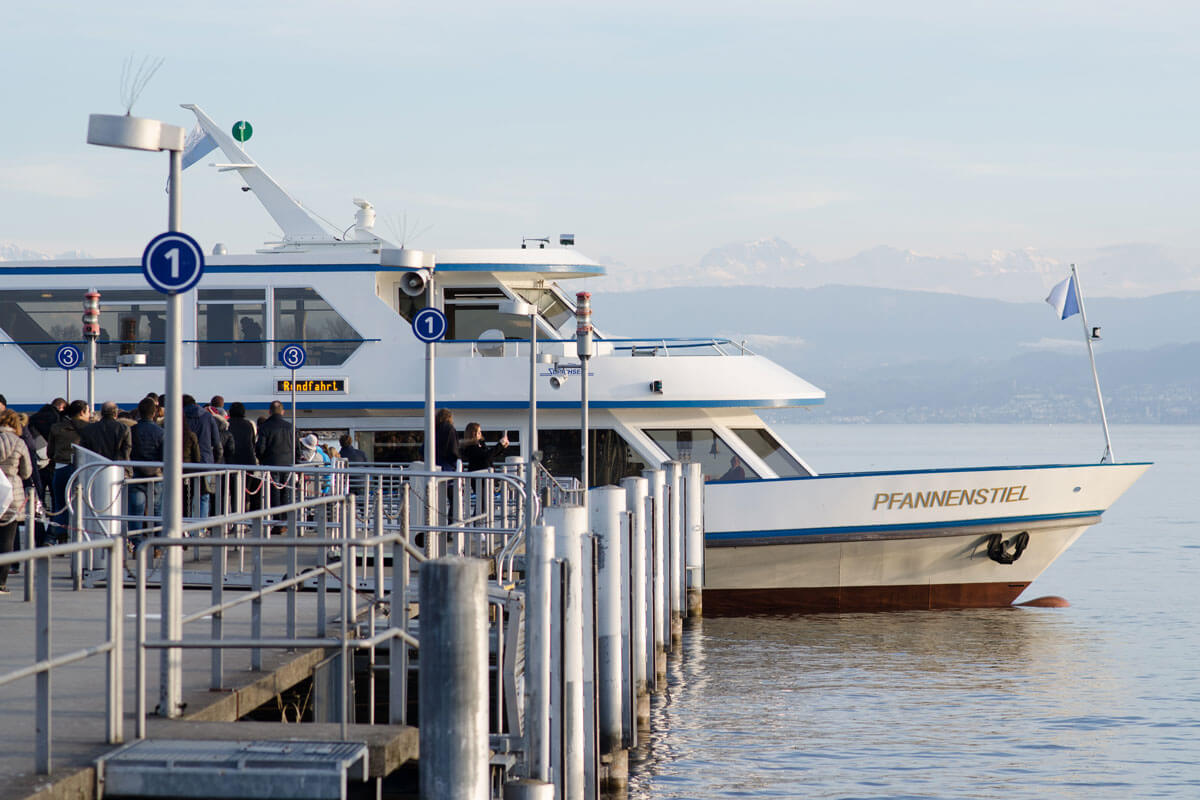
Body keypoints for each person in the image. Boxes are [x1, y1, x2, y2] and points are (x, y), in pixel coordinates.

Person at [48, 400, 91, 542]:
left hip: (60, 468)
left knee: (61, 505)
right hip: (83, 470)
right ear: (82, 412)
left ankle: (60, 537)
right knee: (85, 505)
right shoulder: (90, 428)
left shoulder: (56, 428)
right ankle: (82, 537)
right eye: (88, 411)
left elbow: (50, 452)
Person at [0, 408, 33, 594]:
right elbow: (26, 472)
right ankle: (1, 582)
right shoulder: (19, 443)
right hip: (12, 492)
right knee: (7, 538)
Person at [182, 394, 222, 516]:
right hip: (206, 463)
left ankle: (183, 527)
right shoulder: (208, 416)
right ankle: (200, 528)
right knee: (204, 497)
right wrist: (214, 461)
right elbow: (217, 443)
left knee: (183, 498)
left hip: (185, 464)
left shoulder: (179, 417)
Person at [129, 397, 165, 529]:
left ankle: (136, 544)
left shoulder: (132, 431)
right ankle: (158, 545)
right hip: (156, 475)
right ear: (154, 412)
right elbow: (164, 455)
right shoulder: (161, 432)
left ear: (139, 411)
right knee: (157, 512)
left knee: (136, 513)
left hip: (136, 474)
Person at [255, 400, 296, 517]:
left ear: (269, 412)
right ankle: (285, 519)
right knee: (286, 492)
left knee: (274, 493)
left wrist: (262, 460)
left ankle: (277, 521)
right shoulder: (291, 427)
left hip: (271, 463)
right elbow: (297, 449)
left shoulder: (264, 427)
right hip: (288, 465)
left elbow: (260, 448)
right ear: (283, 412)